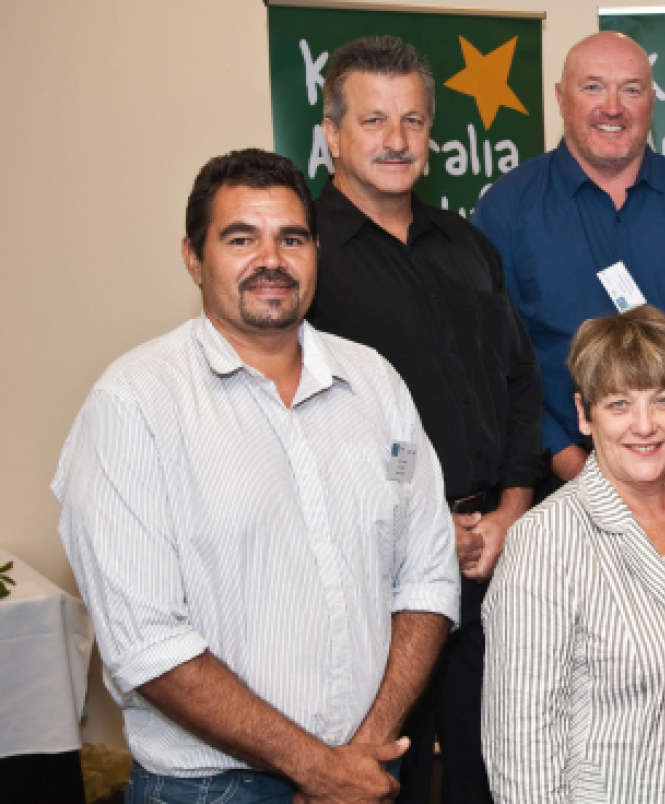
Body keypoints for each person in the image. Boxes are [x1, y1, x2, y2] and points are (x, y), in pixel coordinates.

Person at [52, 149, 459, 804]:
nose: (271, 259)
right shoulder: (134, 406)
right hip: (209, 790)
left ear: (315, 251)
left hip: (369, 773)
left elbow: (429, 575)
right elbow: (147, 642)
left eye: (291, 238)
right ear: (193, 257)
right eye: (241, 238)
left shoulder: (375, 384)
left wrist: (357, 758)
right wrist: (315, 768)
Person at [306, 36, 544, 804]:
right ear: (332, 135)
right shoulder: (304, 257)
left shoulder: (468, 245)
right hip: (373, 575)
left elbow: (520, 383)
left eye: (412, 120)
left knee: (490, 776)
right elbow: (298, 422)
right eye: (373, 120)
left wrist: (511, 508)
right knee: (380, 780)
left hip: (488, 560)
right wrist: (418, 525)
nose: (396, 140)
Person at [482, 306, 665, 802]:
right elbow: (523, 751)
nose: (644, 425)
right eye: (619, 405)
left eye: (663, 400)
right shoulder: (545, 542)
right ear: (584, 414)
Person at [473, 31, 665, 493]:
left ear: (652, 100)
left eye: (631, 89)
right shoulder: (506, 210)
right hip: (563, 485)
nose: (612, 107)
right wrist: (574, 467)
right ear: (560, 97)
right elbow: (498, 358)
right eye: (592, 87)